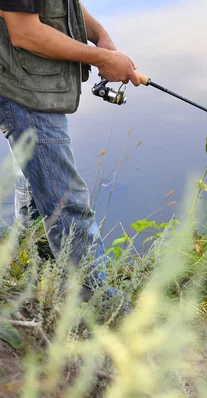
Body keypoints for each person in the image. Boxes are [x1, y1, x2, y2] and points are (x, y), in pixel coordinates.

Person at [0, 0, 140, 301]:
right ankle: (100, 303)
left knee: (36, 193)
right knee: (68, 202)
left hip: (36, 88)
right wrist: (102, 58)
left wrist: (101, 35)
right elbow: (25, 32)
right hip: (22, 92)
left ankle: (36, 280)